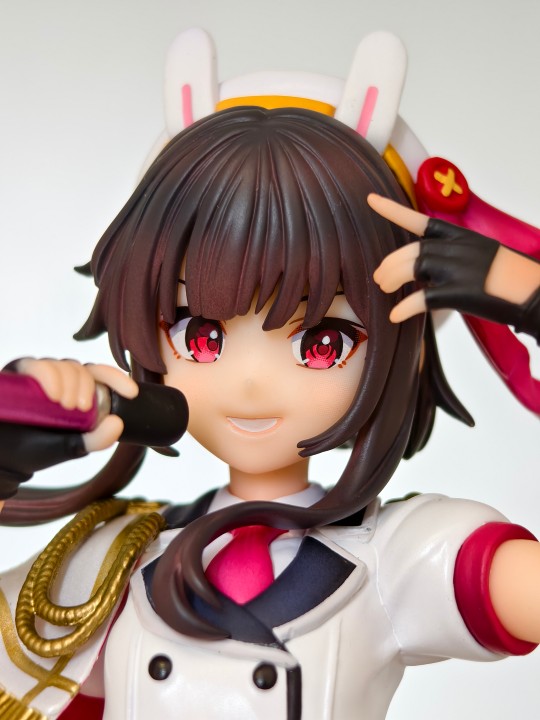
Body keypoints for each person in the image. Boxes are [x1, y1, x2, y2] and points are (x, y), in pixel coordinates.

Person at [0, 107, 539, 720]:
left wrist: (532, 301)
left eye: (322, 342)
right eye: (201, 334)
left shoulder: (398, 557)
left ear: (401, 353)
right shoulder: (113, 558)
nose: (251, 382)